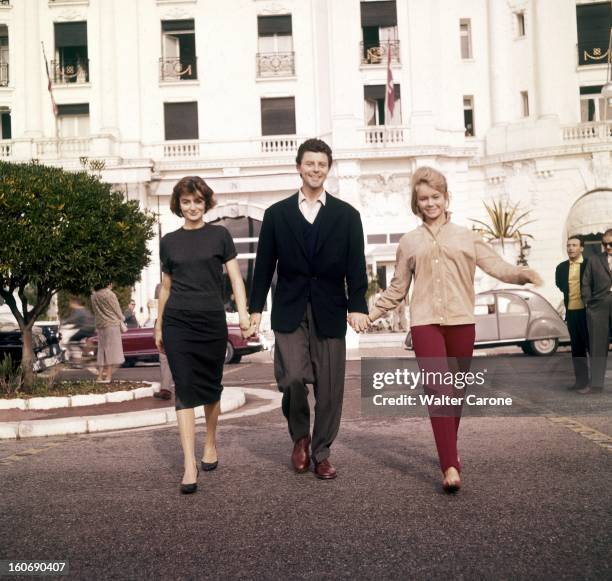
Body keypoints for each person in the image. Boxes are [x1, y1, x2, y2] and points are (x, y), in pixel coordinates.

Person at [368, 166, 542, 493]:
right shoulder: (409, 242)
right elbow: (397, 288)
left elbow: (498, 267)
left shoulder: (467, 236)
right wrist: (371, 313)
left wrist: (522, 274)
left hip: (462, 322)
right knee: (439, 389)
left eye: (435, 197)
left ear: (446, 198)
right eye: (423, 199)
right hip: (425, 323)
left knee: (457, 392)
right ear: (416, 203)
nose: (430, 203)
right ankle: (450, 465)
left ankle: (449, 446)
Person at [249, 138, 369, 480]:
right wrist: (256, 308)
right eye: (310, 163)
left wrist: (357, 306)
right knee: (292, 379)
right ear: (299, 166)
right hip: (289, 310)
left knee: (330, 389)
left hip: (330, 310)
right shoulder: (276, 215)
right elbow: (263, 267)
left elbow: (356, 267)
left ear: (327, 169)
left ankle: (321, 453)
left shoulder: (347, 216)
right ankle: (299, 436)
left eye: (322, 164)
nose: (316, 169)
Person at [155, 176, 252, 494]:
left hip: (211, 322)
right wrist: (158, 324)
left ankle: (210, 441)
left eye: (198, 201)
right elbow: (165, 286)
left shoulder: (220, 236)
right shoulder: (168, 241)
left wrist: (243, 314)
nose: (192, 207)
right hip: (177, 323)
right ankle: (188, 464)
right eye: (186, 202)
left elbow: (236, 280)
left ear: (206, 202)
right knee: (184, 388)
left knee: (211, 389)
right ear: (178, 205)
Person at [580, 228, 612, 394]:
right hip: (598, 307)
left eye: (611, 243)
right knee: (597, 346)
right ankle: (596, 385)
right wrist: (588, 303)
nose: (607, 247)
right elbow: (585, 283)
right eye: (604, 243)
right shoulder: (594, 260)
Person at [555, 237, 589, 390]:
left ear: (581, 248)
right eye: (568, 245)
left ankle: (596, 382)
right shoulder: (561, 268)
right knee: (577, 348)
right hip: (572, 312)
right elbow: (560, 285)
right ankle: (581, 381)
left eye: (574, 245)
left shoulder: (590, 265)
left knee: (593, 347)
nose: (570, 248)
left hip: (588, 313)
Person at [90, 283, 126, 383]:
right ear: (107, 283)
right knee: (111, 352)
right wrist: (123, 318)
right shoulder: (110, 294)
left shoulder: (93, 296)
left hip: (100, 325)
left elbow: (95, 311)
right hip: (112, 325)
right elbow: (117, 309)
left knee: (101, 351)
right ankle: (108, 377)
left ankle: (99, 376)